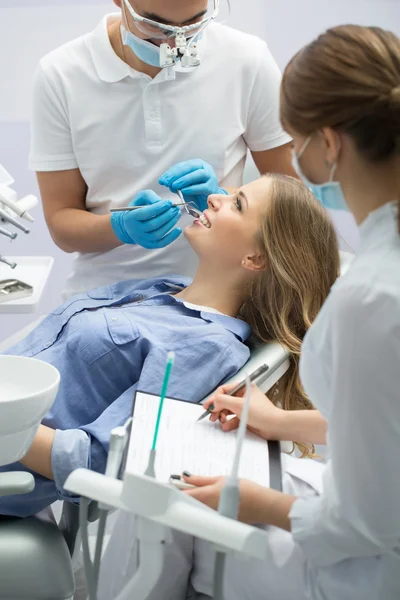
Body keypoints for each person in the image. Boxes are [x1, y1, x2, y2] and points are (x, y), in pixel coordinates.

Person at [172, 24, 400, 600]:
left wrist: (255, 503)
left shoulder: (372, 300)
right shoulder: (374, 274)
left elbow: (366, 524)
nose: (289, 156)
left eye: (293, 140)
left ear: (329, 144)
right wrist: (282, 422)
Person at [0, 174, 338, 521]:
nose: (213, 198)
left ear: (255, 258)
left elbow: (98, 465)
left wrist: (10, 421)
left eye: (237, 203)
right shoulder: (164, 289)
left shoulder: (208, 348)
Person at [30, 0, 295, 299]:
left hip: (220, 299)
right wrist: (118, 228)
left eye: (193, 24)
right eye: (156, 26)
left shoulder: (247, 60)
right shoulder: (60, 75)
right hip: (105, 300)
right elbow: (62, 223)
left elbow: (295, 201)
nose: (175, 43)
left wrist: (220, 199)